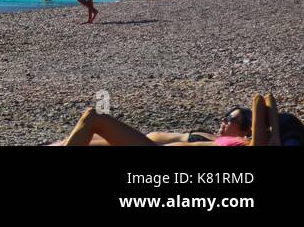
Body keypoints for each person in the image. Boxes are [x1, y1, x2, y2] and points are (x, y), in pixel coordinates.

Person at [57, 94, 286, 146]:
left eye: (231, 119)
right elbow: (266, 102)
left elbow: (263, 102)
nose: (224, 120)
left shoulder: (250, 144)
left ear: (249, 129)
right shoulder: (226, 140)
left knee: (93, 116)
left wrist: (270, 128)